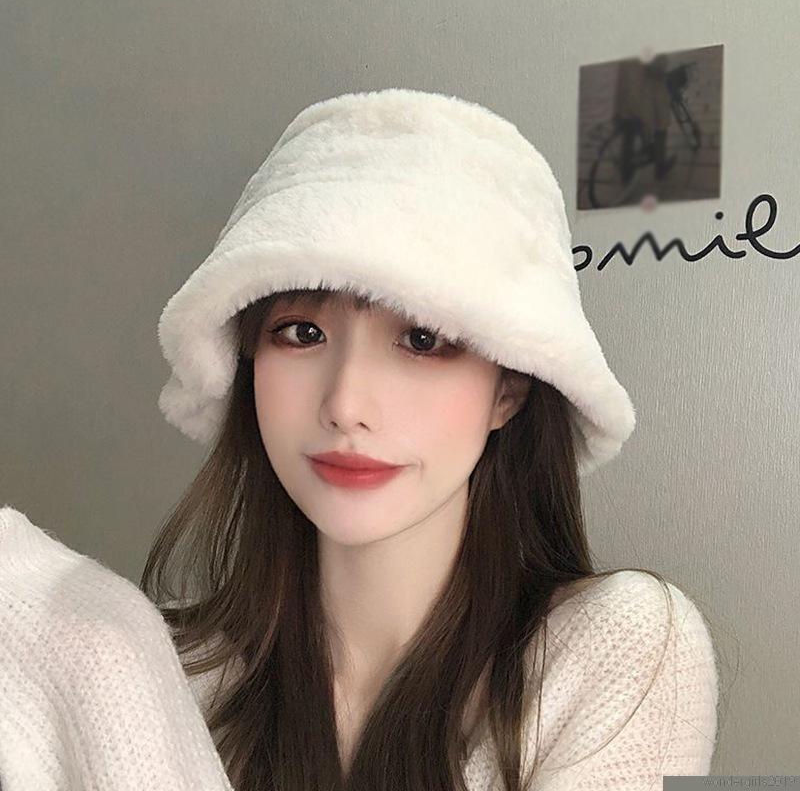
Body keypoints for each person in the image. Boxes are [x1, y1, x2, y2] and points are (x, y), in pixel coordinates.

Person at [0, 87, 719, 791]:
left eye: (421, 339)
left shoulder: (619, 650)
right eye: (301, 333)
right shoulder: (174, 674)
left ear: (510, 389)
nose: (345, 405)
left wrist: (115, 682)